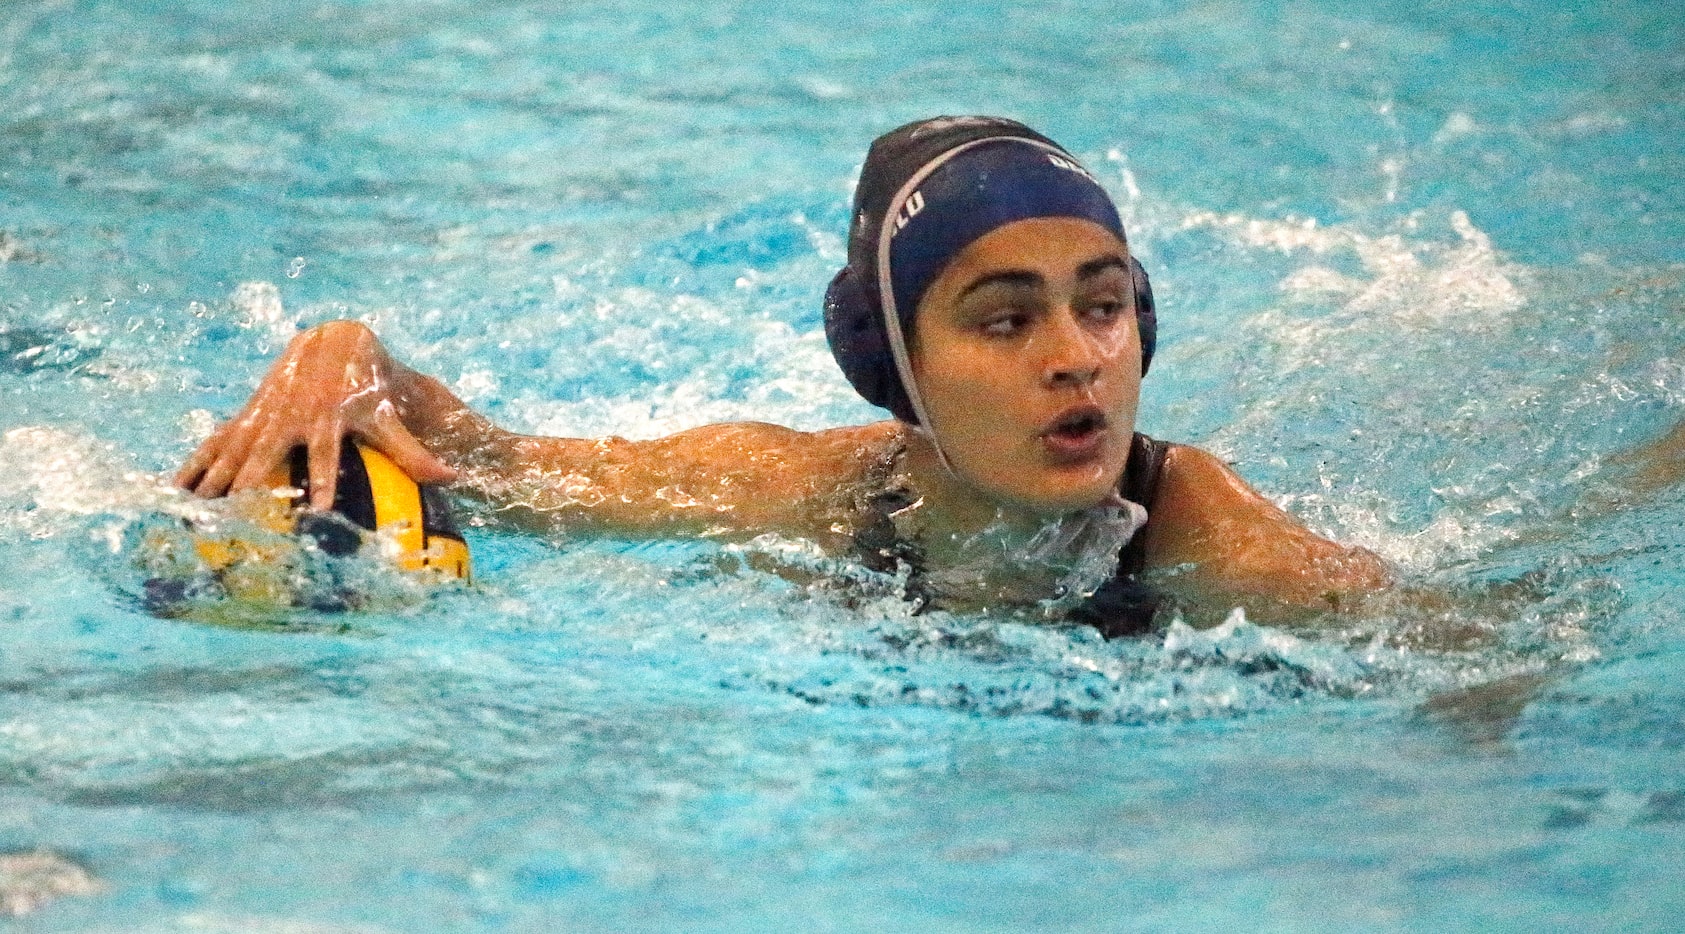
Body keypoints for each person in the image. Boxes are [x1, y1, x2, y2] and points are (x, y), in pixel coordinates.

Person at [176, 116, 1392, 635]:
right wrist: (346, 350)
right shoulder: (811, 491)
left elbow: (1481, 668)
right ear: (894, 367)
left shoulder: (1208, 542)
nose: (1076, 355)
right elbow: (492, 468)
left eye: (1104, 304)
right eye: (1004, 318)